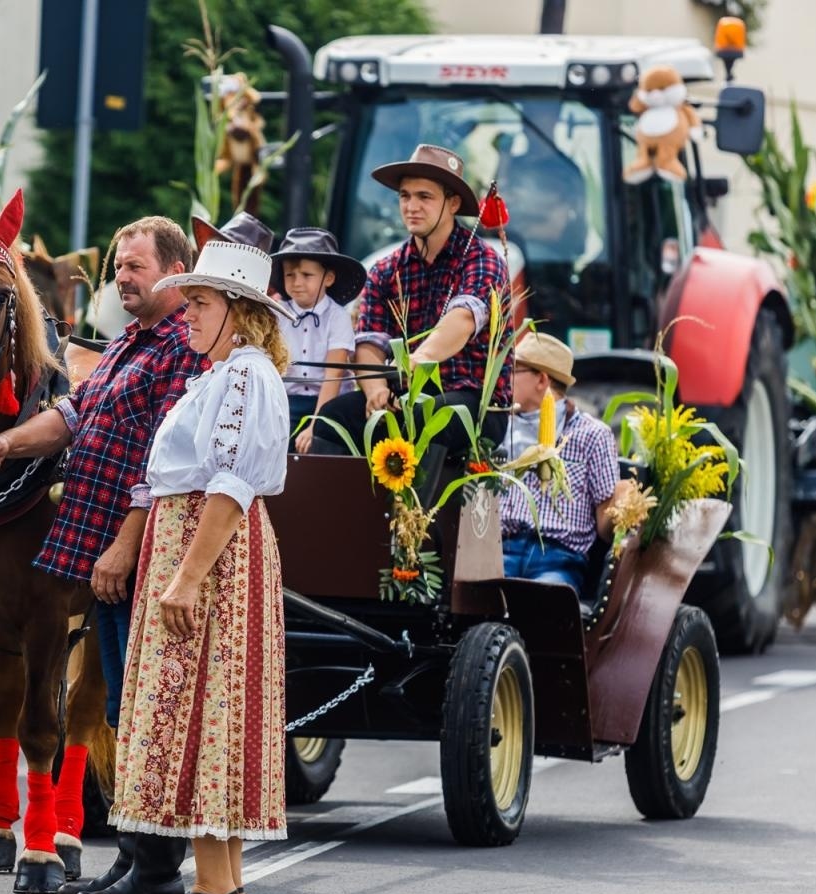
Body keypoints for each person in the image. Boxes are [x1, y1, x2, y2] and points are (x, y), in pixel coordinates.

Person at [0, 216, 202, 894]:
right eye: (118, 267)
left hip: (146, 556)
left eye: (134, 266)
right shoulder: (132, 342)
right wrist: (4, 445)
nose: (120, 278)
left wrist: (125, 545)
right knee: (120, 712)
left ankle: (156, 869)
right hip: (109, 560)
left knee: (140, 709)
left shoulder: (183, 348)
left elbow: (165, 462)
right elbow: (72, 418)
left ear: (174, 271)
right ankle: (132, 860)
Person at [113, 238, 292, 894]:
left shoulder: (244, 376)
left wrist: (187, 578)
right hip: (194, 541)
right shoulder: (221, 375)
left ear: (240, 313)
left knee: (208, 704)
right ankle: (222, 884)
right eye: (188, 302)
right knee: (206, 706)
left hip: (209, 549)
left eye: (202, 303)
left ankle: (217, 889)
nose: (187, 314)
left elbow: (231, 482)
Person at [312, 144, 511, 457]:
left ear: (453, 202)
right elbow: (368, 342)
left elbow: (462, 320)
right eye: (405, 196)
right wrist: (376, 388)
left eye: (425, 197)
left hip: (478, 404)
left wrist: (416, 362)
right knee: (331, 419)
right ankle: (343, 506)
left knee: (425, 416)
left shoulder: (483, 259)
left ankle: (415, 509)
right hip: (406, 396)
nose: (411, 206)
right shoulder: (385, 269)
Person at [500, 332, 627, 591]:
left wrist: (624, 509)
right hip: (501, 551)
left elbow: (604, 524)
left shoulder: (592, 435)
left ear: (541, 379)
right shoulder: (498, 427)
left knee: (545, 605)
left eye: (514, 370)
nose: (504, 379)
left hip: (557, 561)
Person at [269, 227, 364, 454]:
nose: (297, 282)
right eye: (290, 275)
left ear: (328, 278)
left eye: (307, 275)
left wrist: (315, 424)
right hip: (287, 400)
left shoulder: (337, 316)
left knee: (323, 438)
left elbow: (334, 374)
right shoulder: (276, 314)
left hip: (328, 401)